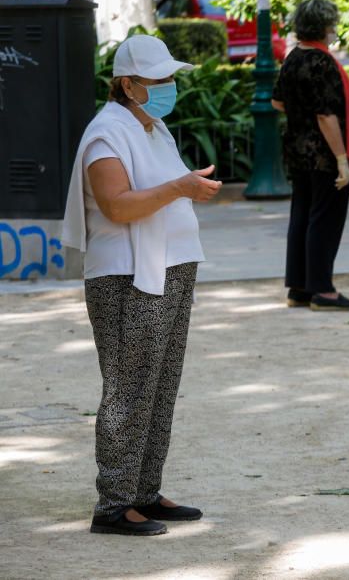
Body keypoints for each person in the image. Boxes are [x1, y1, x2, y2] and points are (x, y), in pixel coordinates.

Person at [62, 35, 221, 535]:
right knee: (129, 389)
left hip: (170, 269)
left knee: (161, 385)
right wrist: (181, 187)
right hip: (128, 277)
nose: (168, 87)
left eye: (170, 78)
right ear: (127, 84)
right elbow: (118, 205)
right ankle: (114, 504)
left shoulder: (153, 128)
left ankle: (145, 492)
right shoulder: (107, 133)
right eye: (158, 80)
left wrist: (187, 188)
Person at [272, 0, 349, 311]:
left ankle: (299, 287)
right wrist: (342, 159)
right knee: (325, 219)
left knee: (302, 215)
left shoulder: (294, 56)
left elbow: (278, 102)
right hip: (323, 153)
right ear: (325, 26)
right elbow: (326, 116)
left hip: (297, 149)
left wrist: (301, 114)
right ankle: (322, 290)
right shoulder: (322, 62)